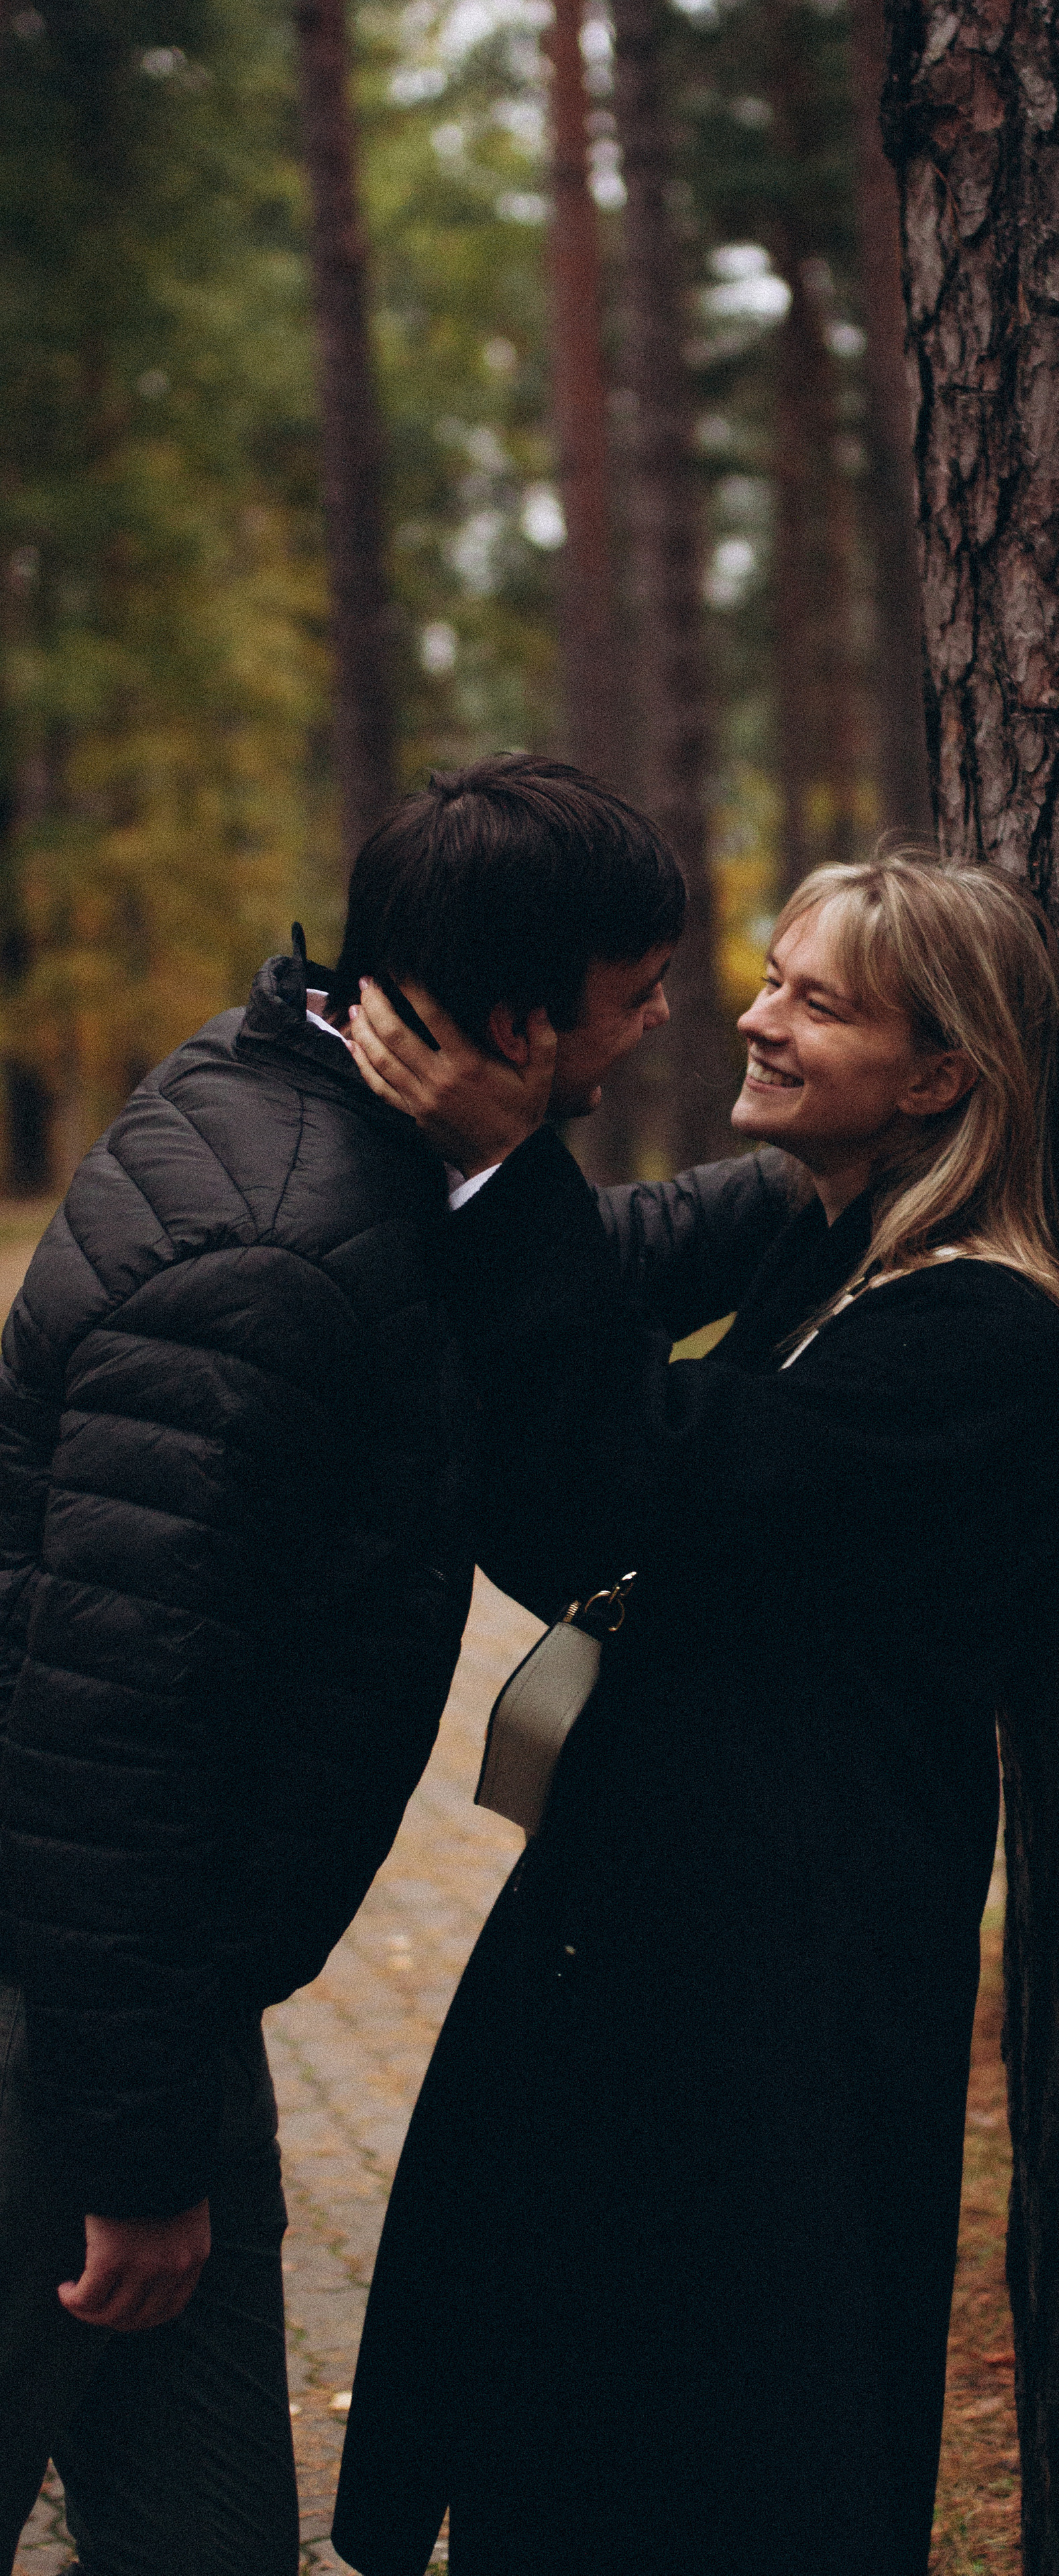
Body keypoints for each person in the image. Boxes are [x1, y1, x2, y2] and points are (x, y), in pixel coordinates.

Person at [0, 753, 791, 2576]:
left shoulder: (337, 1115)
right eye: (629, 997)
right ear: (512, 1026)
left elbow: (562, 1269)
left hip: (148, 2013)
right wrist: (132, 2157)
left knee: (201, 2539)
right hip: (64, 2016)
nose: (667, 1018)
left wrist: (822, 1181)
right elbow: (108, 1739)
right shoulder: (278, 1261)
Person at [329, 852, 1059, 2576]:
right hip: (660, 1963)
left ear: (938, 1078)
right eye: (769, 977)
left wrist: (505, 1161)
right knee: (571, 2431)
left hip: (778, 2007)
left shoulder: (987, 1337)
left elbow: (636, 1488)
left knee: (713, 2459)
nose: (753, 1019)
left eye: (813, 1000)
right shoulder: (819, 1261)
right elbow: (567, 1509)